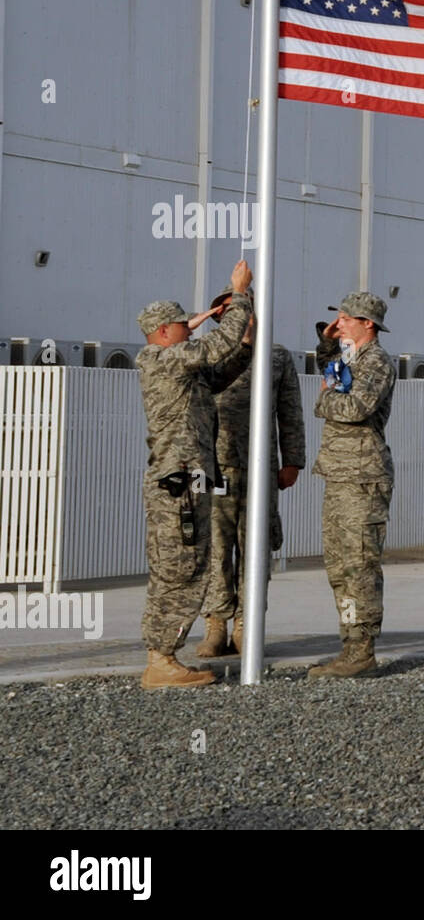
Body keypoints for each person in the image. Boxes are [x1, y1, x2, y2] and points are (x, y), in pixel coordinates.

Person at [135, 260, 253, 689]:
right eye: (183, 325)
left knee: (187, 563)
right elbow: (212, 348)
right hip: (178, 485)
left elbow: (221, 368)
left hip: (190, 480)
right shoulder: (161, 358)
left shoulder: (179, 365)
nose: (191, 328)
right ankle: (162, 659)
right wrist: (238, 293)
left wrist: (245, 340)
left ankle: (163, 655)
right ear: (164, 332)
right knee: (181, 568)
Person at [196, 289, 307, 657]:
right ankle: (216, 624)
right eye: (228, 311)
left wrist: (292, 460)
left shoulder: (276, 356)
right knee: (215, 547)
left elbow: (290, 411)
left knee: (255, 547)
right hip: (216, 465)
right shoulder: (208, 353)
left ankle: (246, 622)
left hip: (259, 468)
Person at [308, 291, 396, 679]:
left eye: (347, 318)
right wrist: (328, 347)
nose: (339, 322)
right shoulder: (349, 357)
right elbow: (334, 378)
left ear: (368, 324)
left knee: (359, 565)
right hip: (340, 475)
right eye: (338, 316)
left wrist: (322, 402)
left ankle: (362, 651)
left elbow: (354, 407)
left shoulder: (376, 362)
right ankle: (349, 646)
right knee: (339, 567)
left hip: (362, 478)